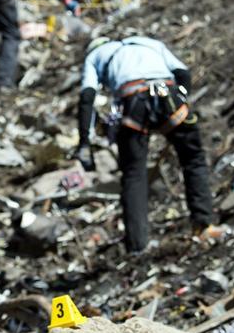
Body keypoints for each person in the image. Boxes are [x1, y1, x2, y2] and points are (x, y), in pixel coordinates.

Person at [76, 36, 220, 252]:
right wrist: (182, 99)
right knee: (193, 159)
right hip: (169, 95)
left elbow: (87, 96)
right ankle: (204, 224)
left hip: (133, 101)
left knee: (134, 174)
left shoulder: (95, 56)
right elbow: (182, 73)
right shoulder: (149, 42)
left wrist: (84, 143)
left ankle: (137, 244)